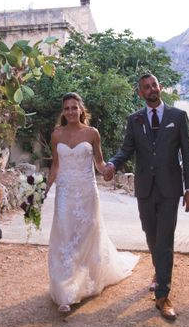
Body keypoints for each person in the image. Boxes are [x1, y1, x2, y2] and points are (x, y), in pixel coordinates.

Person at [104, 74, 189, 320]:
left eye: (154, 85)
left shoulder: (177, 117)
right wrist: (113, 164)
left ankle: (163, 296)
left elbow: (187, 154)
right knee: (151, 234)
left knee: (165, 238)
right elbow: (126, 149)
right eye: (146, 87)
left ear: (160, 87)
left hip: (170, 189)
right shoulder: (134, 119)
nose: (151, 89)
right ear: (140, 93)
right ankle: (159, 270)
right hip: (145, 188)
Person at [46, 93, 138, 313]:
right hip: (65, 193)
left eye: (74, 108)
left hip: (87, 192)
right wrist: (43, 189)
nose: (70, 112)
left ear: (81, 109)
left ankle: (83, 282)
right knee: (64, 237)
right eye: (66, 108)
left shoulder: (92, 133)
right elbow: (55, 166)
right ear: (63, 111)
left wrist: (107, 170)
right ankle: (65, 291)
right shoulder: (56, 135)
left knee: (86, 237)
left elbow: (98, 161)